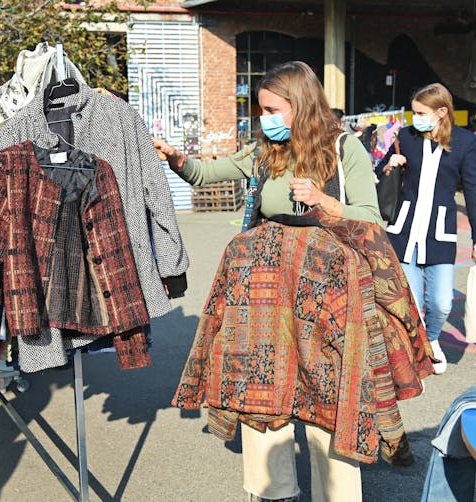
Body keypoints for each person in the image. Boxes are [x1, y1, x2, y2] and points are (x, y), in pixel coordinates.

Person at [156, 61, 381, 501]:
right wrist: (176, 159)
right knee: (260, 391)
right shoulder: (267, 151)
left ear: (300, 104)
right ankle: (270, 492)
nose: (266, 119)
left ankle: (336, 495)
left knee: (327, 396)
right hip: (265, 295)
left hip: (325, 295)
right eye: (261, 110)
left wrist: (323, 202)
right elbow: (208, 173)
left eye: (273, 109)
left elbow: (372, 219)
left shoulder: (343, 148)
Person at [379, 83, 476, 375]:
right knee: (409, 301)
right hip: (405, 229)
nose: (415, 118)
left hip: (439, 233)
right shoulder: (406, 136)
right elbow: (381, 172)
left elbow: (472, 190)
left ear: (442, 112)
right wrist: (388, 163)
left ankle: (432, 338)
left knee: (442, 302)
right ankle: (414, 350)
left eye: (421, 112)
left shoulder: (464, 142)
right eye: (413, 112)